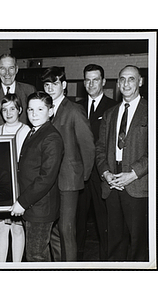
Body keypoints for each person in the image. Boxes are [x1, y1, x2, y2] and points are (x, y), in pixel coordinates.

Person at [41, 66, 95, 262]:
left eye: (54, 84)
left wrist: (81, 177)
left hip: (68, 181)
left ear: (63, 85)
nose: (50, 88)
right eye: (46, 84)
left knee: (67, 230)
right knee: (54, 229)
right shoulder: (43, 110)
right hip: (50, 181)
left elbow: (88, 147)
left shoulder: (73, 110)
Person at [96, 65, 148, 261]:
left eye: (131, 79)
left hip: (137, 183)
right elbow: (100, 148)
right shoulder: (110, 114)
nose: (126, 84)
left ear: (140, 82)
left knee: (138, 244)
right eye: (122, 79)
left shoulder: (150, 111)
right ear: (117, 84)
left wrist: (133, 174)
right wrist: (106, 173)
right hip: (112, 183)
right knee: (115, 241)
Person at [10, 91, 64, 262]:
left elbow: (46, 178)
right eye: (30, 110)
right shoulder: (34, 131)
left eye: (40, 109)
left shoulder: (51, 137)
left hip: (40, 207)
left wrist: (22, 202)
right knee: (37, 254)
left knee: (36, 256)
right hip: (34, 205)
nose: (34, 114)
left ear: (51, 111)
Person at [76, 64, 117, 261]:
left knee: (103, 221)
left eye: (95, 79)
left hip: (102, 173)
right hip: (80, 174)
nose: (91, 83)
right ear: (84, 82)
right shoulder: (76, 107)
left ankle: (106, 263)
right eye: (87, 80)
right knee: (78, 221)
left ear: (103, 81)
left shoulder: (113, 107)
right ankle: (76, 262)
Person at [0, 94, 30, 262]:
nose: (8, 112)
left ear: (20, 110)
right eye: (4, 109)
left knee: (17, 227)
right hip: (1, 186)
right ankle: (0, 267)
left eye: (12, 108)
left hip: (20, 186)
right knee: (0, 226)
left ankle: (17, 267)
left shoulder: (27, 131)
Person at [0, 53, 36, 126]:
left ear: (16, 69)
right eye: (3, 68)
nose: (7, 73)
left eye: (11, 68)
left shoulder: (29, 91)